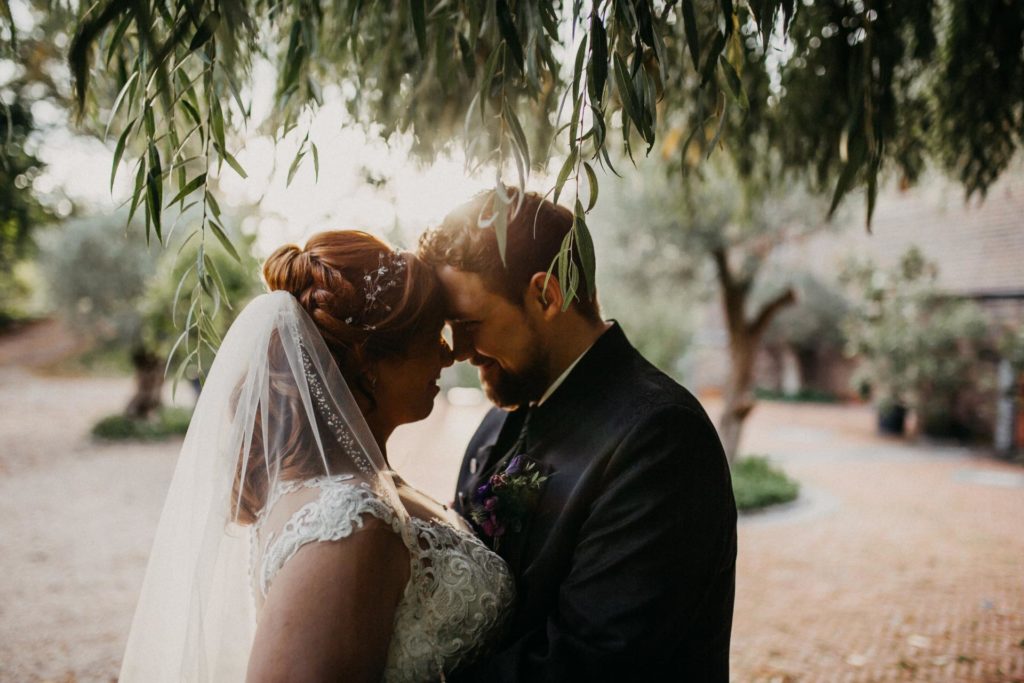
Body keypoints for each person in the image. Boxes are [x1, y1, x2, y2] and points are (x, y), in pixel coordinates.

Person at [119, 231, 514, 682]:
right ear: (369, 361)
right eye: (432, 337)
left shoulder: (365, 484)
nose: (448, 356)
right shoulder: (349, 527)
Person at [418, 191, 738, 681]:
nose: (459, 352)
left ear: (547, 296)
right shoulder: (499, 419)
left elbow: (590, 664)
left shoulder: (661, 437)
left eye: (469, 324)